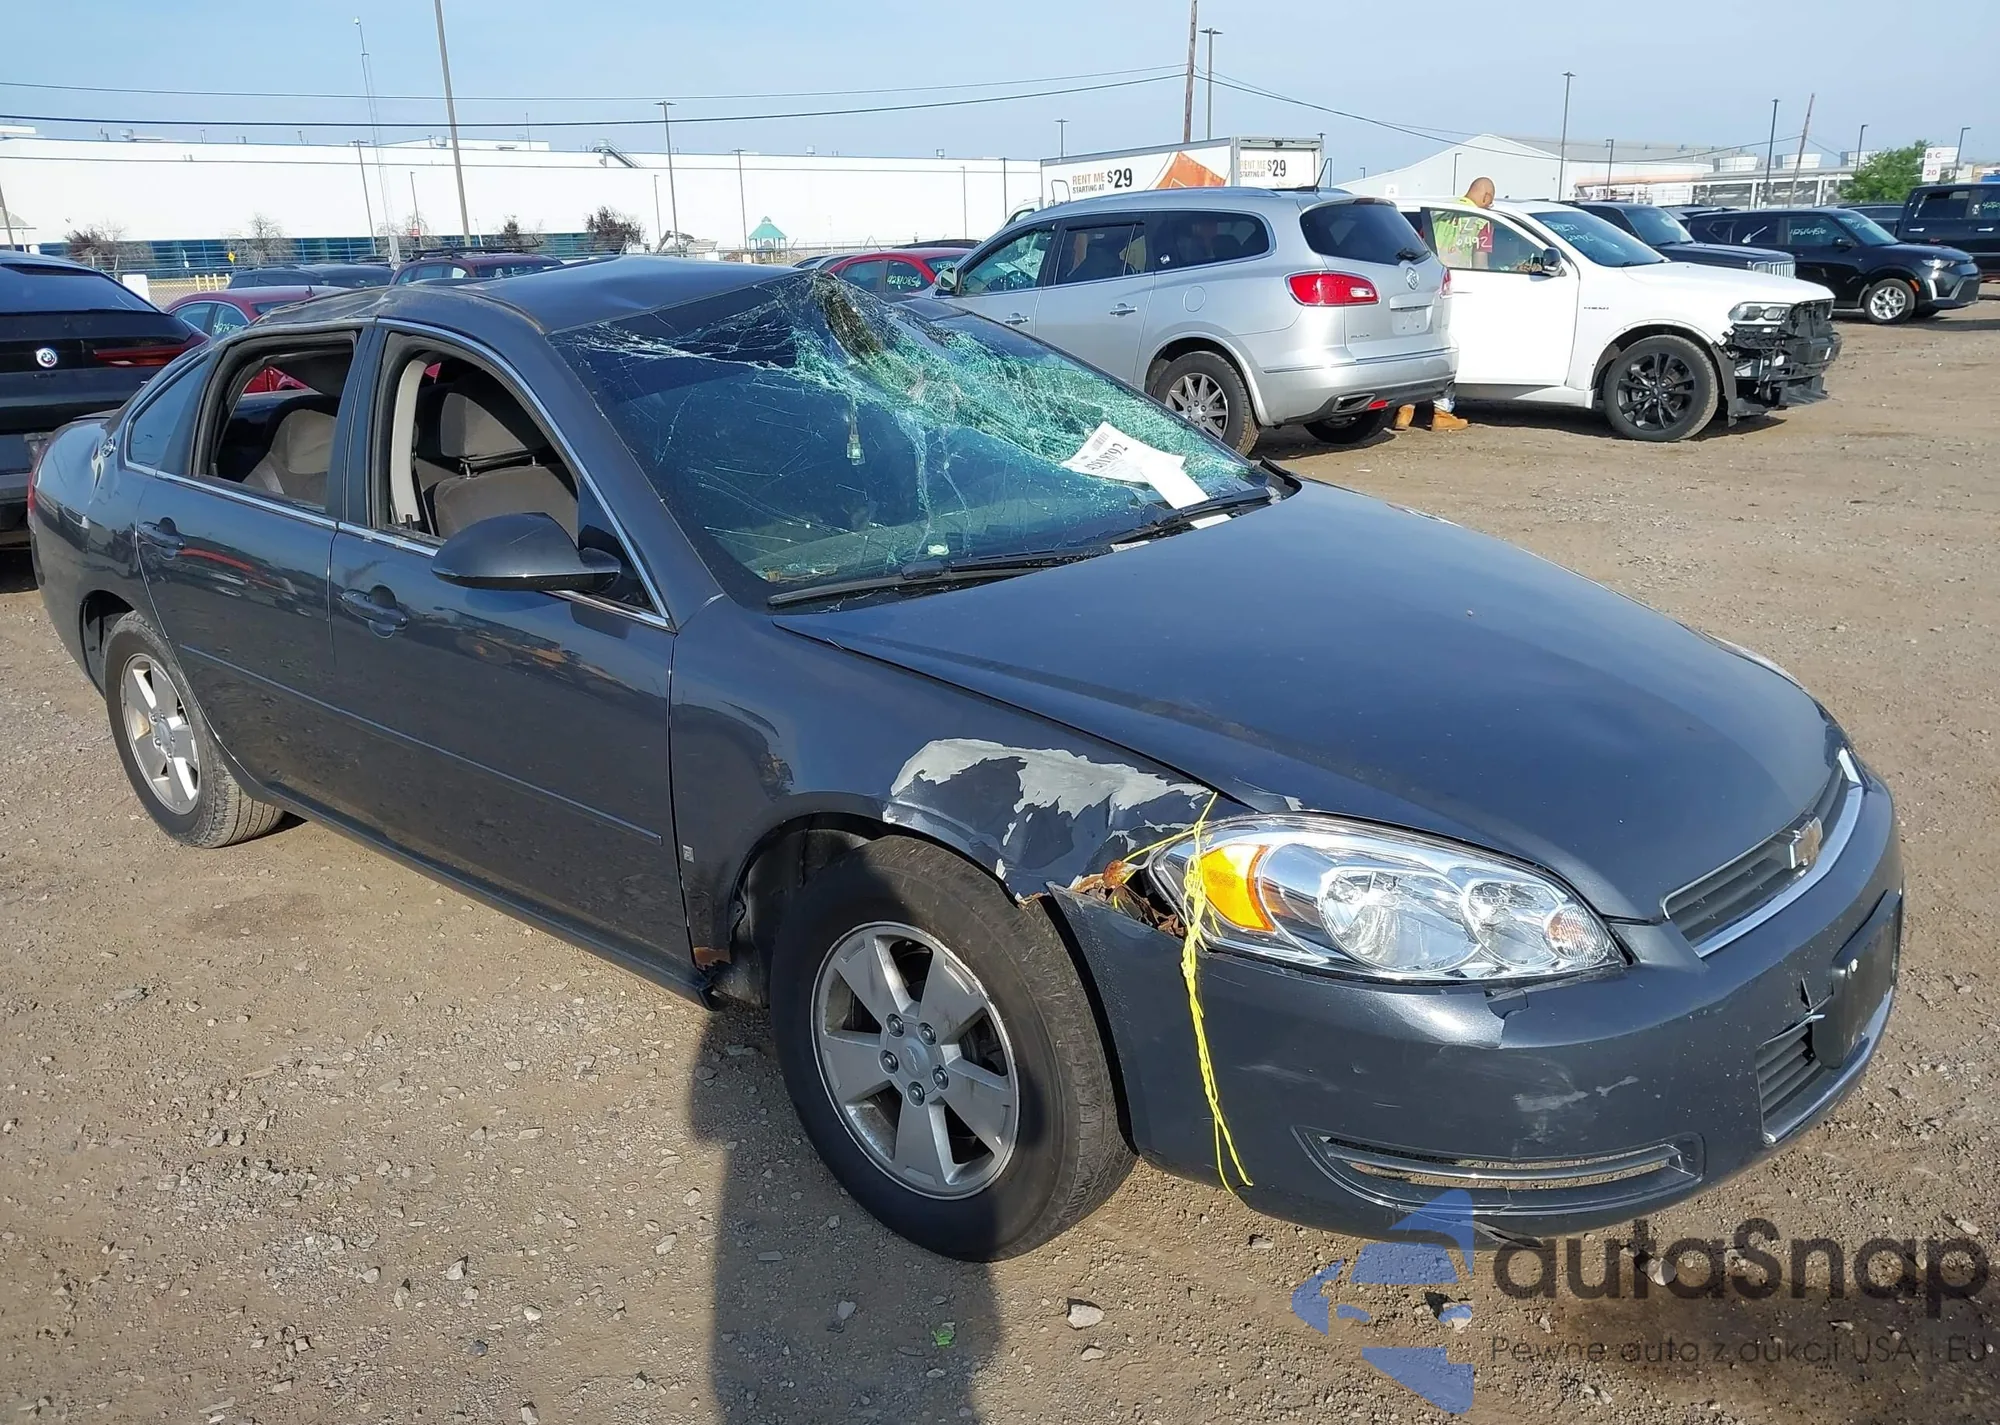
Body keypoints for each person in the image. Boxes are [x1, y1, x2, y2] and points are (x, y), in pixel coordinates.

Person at [1395, 176, 1496, 433]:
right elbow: (1481, 262)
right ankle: (1442, 412)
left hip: (1428, 288)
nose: (1490, 206)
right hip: (1456, 290)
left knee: (1422, 350)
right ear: (1486, 197)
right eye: (1491, 201)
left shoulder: (1439, 215)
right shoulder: (1482, 221)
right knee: (1448, 352)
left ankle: (1405, 409)